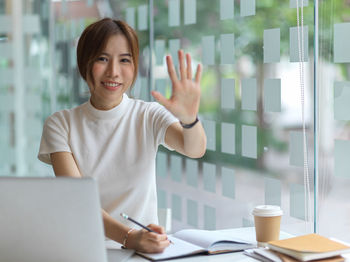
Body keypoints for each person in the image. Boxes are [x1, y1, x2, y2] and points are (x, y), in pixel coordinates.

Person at [38, 18, 206, 253]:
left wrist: (190, 120)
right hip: (84, 250)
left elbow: (194, 149)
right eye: (102, 59)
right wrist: (129, 237)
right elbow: (78, 200)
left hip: (141, 253)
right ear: (84, 63)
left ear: (135, 66)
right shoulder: (61, 124)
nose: (113, 72)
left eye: (124, 60)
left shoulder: (148, 115)